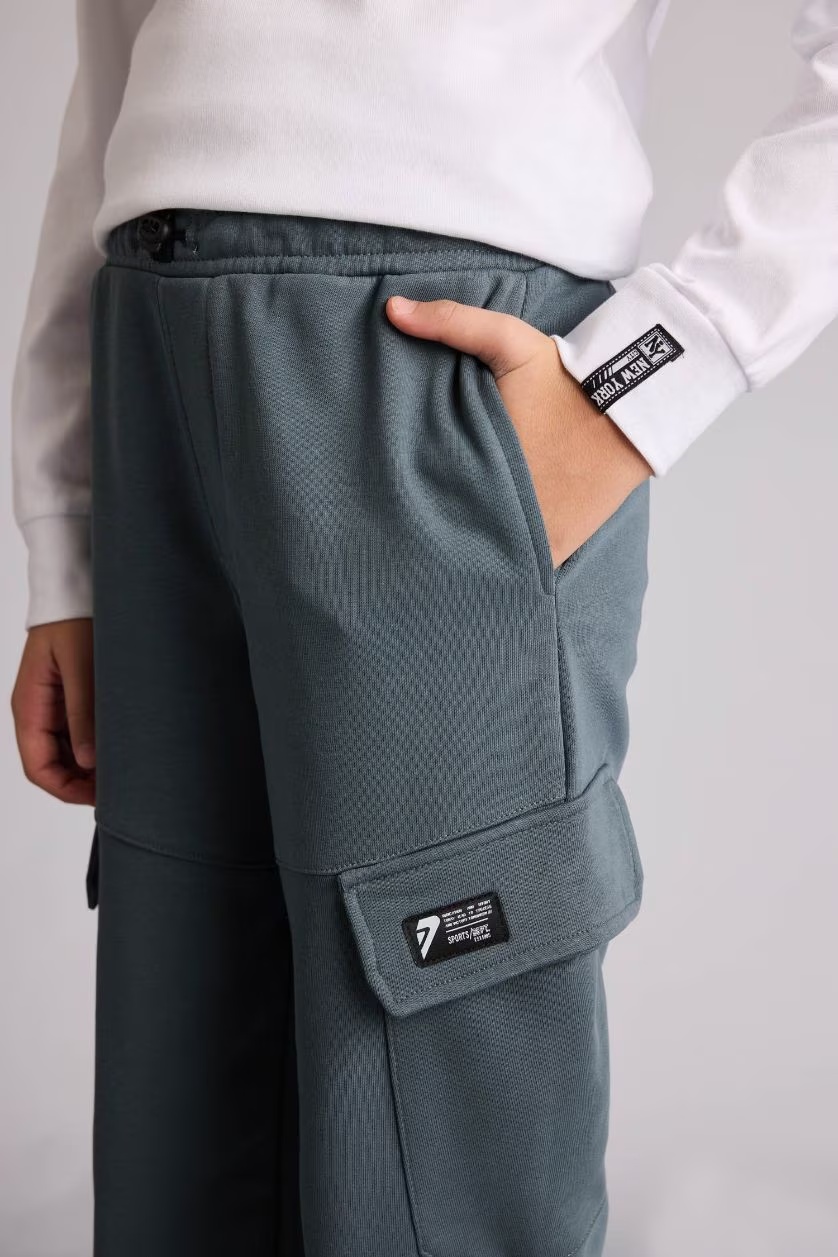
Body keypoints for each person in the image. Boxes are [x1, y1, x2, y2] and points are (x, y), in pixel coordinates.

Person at [8, 2, 837, 1254]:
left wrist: (661, 370)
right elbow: (112, 67)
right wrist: (64, 534)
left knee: (443, 1124)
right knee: (184, 1105)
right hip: (152, 348)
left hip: (431, 366)